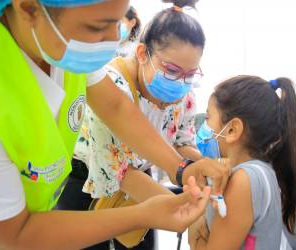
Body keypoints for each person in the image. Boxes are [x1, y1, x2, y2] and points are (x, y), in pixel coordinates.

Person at [0, 0, 230, 249]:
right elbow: (18, 234)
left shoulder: (57, 39)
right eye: (98, 27)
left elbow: (116, 107)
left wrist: (181, 168)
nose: (113, 40)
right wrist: (142, 215)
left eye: (119, 21)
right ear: (29, 8)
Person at [58, 0, 207, 248]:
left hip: (142, 183)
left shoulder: (183, 94)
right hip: (90, 184)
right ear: (141, 54)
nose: (181, 82)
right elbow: (119, 173)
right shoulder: (110, 87)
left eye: (190, 74)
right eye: (171, 70)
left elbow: (181, 143)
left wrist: (199, 168)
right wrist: (190, 211)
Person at [189, 76, 296, 249]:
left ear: (233, 129)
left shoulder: (243, 181)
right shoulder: (258, 170)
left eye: (208, 117)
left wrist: (194, 231)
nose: (203, 126)